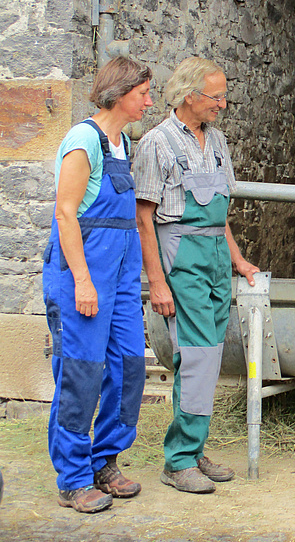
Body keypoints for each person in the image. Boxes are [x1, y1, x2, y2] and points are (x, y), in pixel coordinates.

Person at [134, 57, 259, 494]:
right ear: (190, 95)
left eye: (224, 95)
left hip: (212, 256)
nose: (222, 104)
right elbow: (144, 218)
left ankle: (193, 448)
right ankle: (179, 460)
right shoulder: (158, 143)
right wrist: (158, 282)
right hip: (180, 252)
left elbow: (220, 213)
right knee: (197, 353)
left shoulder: (218, 142)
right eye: (216, 96)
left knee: (208, 353)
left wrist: (238, 260)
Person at [42, 56, 153, 513]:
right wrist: (84, 283)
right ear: (120, 92)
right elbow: (66, 213)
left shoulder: (122, 141)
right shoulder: (83, 140)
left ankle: (104, 460)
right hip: (82, 278)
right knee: (81, 375)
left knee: (129, 370)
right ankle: (71, 478)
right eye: (143, 92)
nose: (149, 99)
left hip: (122, 282)